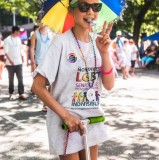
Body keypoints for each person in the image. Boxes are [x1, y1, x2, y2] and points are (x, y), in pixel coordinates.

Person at [32, 0, 115, 159]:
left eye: (95, 6)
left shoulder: (99, 42)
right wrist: (66, 116)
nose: (90, 12)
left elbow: (109, 85)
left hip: (92, 119)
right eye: (84, 6)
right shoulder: (60, 42)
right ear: (71, 9)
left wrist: (104, 52)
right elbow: (37, 86)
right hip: (66, 123)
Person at [30, 24, 53, 111]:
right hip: (39, 62)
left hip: (51, 61)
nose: (43, 23)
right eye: (41, 20)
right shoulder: (35, 34)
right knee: (42, 85)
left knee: (52, 83)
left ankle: (47, 103)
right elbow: (32, 48)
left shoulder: (52, 33)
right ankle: (45, 104)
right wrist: (32, 62)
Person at [3, 26, 27, 100]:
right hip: (10, 64)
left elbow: (20, 50)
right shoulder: (7, 40)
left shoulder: (19, 39)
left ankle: (21, 93)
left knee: (20, 78)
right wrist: (10, 60)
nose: (19, 33)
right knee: (11, 79)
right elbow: (6, 52)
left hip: (18, 62)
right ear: (15, 31)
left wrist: (22, 59)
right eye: (18, 31)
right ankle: (11, 93)